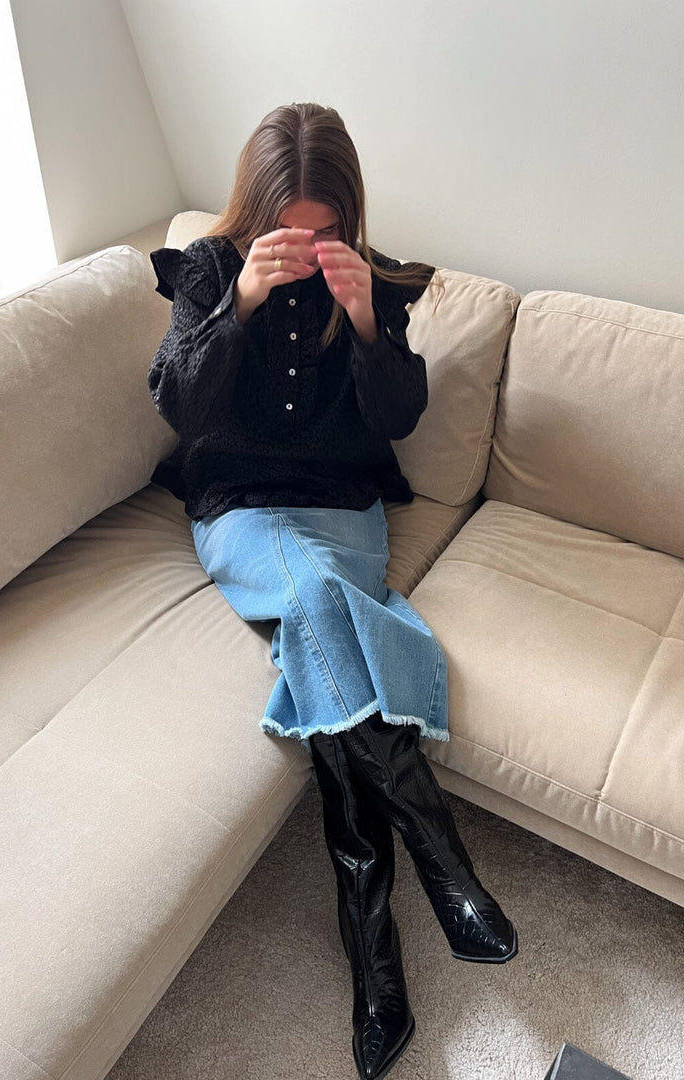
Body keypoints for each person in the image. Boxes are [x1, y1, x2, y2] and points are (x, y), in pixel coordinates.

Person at [147, 101, 518, 1080]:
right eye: (290, 231)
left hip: (343, 508)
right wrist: (241, 305)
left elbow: (395, 416)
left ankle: (375, 955)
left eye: (325, 230)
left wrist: (361, 320)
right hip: (240, 509)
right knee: (319, 600)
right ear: (256, 213)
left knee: (319, 628)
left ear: (349, 218)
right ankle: (441, 866)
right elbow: (180, 402)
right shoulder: (210, 270)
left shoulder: (372, 280)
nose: (308, 249)